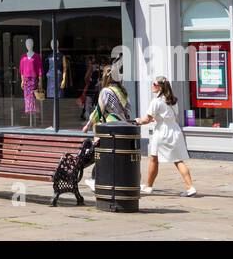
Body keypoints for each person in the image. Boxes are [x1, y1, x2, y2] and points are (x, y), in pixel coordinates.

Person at [135, 77, 197, 197]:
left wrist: (138, 121)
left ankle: (148, 187)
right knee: (178, 160)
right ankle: (190, 187)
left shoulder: (156, 101)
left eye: (154, 84)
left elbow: (146, 119)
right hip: (175, 130)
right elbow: (168, 115)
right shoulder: (173, 100)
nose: (152, 86)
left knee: (153, 158)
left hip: (162, 132)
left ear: (159, 86)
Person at [82, 64, 132, 192]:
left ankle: (97, 180)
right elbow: (128, 110)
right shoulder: (123, 91)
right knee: (115, 156)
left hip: (109, 127)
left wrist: (88, 125)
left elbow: (99, 110)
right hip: (123, 127)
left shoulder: (106, 91)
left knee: (103, 155)